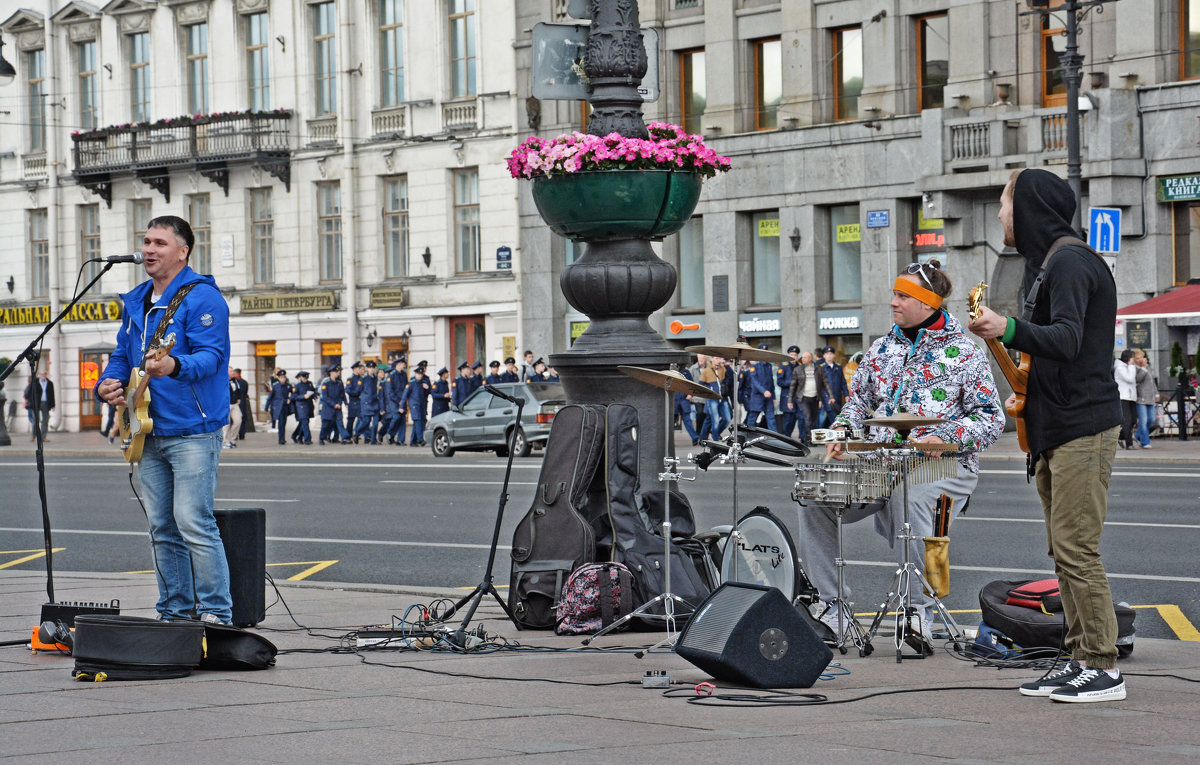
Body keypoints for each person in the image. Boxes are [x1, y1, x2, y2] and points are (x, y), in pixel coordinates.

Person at [969, 168, 1125, 703]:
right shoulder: (1051, 264)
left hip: (1084, 425)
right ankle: (1079, 657)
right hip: (1057, 425)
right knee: (1063, 553)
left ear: (1030, 207)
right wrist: (1025, 395)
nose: (998, 215)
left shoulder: (1073, 261)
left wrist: (1005, 327)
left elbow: (1067, 337)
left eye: (1005, 203)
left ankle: (1103, 666)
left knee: (1078, 550)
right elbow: (1055, 356)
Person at [800, 260, 1004, 651]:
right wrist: (841, 432)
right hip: (881, 462)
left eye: (902, 296)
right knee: (813, 497)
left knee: (907, 495)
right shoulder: (880, 349)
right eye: (894, 294)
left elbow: (991, 419)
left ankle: (918, 612)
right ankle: (833, 608)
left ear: (928, 304)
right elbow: (858, 403)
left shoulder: (966, 353)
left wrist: (943, 436)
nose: (892, 302)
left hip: (943, 462)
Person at [94, 214, 232, 624]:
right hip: (145, 427)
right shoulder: (137, 299)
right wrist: (108, 382)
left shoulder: (203, 298)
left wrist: (174, 365)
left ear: (183, 250)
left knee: (193, 522)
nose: (149, 250)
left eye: (159, 243)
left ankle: (215, 614)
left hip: (192, 428)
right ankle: (174, 612)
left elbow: (213, 357)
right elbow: (122, 354)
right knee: (161, 528)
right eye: (146, 241)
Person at [788, 350, 821, 443]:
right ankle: (807, 439)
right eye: (802, 357)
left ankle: (811, 439)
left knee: (813, 420)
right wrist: (789, 400)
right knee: (807, 419)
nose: (802, 359)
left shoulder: (818, 369)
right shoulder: (798, 369)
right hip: (803, 398)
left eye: (805, 357)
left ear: (810, 358)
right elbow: (793, 386)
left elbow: (823, 384)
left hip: (814, 398)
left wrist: (822, 399)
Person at [746, 344, 777, 431]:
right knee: (752, 419)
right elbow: (755, 382)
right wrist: (764, 391)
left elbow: (771, 382)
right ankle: (747, 435)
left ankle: (776, 439)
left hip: (769, 398)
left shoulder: (769, 366)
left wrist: (773, 396)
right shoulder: (754, 366)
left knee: (771, 419)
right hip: (757, 397)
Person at [816, 345, 848, 428]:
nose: (829, 356)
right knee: (826, 418)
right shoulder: (820, 368)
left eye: (831, 353)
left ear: (834, 355)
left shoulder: (838, 367)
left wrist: (846, 395)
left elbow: (843, 382)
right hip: (825, 398)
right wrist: (820, 398)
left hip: (837, 396)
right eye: (827, 354)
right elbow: (819, 385)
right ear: (823, 356)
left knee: (834, 417)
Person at [1133, 352, 1159, 449]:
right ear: (1135, 360)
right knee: (1143, 421)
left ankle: (1137, 435)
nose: (1141, 359)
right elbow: (1138, 379)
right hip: (1141, 398)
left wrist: (1156, 393)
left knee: (1151, 419)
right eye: (1138, 358)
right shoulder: (1135, 368)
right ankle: (1145, 442)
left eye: (1142, 357)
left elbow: (1152, 382)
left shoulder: (1148, 367)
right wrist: (1143, 368)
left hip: (1150, 398)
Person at [1113, 351, 1138, 450]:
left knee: (1133, 420)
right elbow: (1130, 378)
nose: (1134, 360)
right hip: (1123, 396)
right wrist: (1132, 366)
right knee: (1127, 421)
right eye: (1133, 358)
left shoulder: (1128, 367)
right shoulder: (1120, 368)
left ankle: (1119, 437)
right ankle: (1129, 444)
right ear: (1128, 358)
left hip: (1131, 396)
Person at [318, 365, 348, 444]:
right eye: (336, 372)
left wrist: (345, 403)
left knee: (340, 423)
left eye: (338, 372)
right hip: (328, 407)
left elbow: (342, 394)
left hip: (338, 407)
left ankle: (345, 438)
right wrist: (333, 404)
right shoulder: (326, 383)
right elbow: (325, 396)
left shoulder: (339, 382)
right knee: (326, 425)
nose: (338, 373)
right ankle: (322, 438)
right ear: (331, 373)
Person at [23, 367, 55, 440]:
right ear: (39, 375)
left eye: (44, 374)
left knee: (45, 420)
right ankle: (33, 435)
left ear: (46, 375)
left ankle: (43, 437)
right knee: (36, 419)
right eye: (42, 374)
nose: (43, 375)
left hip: (46, 403)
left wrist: (53, 405)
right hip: (36, 403)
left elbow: (52, 394)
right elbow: (30, 393)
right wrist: (31, 401)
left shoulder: (50, 383)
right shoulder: (35, 382)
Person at [402, 366, 431, 446]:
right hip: (414, 405)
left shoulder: (423, 383)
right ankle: (420, 440)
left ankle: (412, 441)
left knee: (418, 423)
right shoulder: (411, 383)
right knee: (418, 421)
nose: (420, 375)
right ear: (415, 374)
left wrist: (427, 388)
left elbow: (428, 393)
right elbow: (405, 395)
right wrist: (402, 406)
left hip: (421, 405)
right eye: (418, 374)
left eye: (421, 374)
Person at [777, 346, 800, 439]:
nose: (793, 356)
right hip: (787, 397)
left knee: (794, 419)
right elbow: (779, 382)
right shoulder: (783, 366)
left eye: (795, 355)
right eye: (791, 354)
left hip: (798, 397)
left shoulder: (800, 366)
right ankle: (786, 438)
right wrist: (791, 382)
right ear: (788, 355)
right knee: (787, 419)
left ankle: (789, 438)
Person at [265, 369, 293, 444]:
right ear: (278, 378)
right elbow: (270, 397)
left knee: (284, 423)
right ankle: (281, 439)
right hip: (278, 407)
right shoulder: (276, 386)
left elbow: (293, 394)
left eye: (284, 377)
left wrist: (290, 399)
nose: (283, 379)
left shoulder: (288, 386)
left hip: (285, 407)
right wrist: (266, 407)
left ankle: (282, 438)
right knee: (281, 423)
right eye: (281, 377)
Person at [290, 371, 316, 444]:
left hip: (309, 405)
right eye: (304, 378)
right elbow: (294, 396)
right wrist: (303, 396)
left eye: (306, 378)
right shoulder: (297, 385)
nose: (305, 379)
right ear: (301, 377)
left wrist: (315, 397)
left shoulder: (310, 383)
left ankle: (297, 436)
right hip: (301, 406)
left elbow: (313, 391)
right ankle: (308, 439)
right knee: (304, 422)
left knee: (304, 422)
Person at [345, 361, 366, 442]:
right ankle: (348, 437)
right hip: (353, 403)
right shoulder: (350, 379)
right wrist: (357, 394)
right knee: (350, 421)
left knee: (364, 419)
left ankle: (362, 434)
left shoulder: (362, 378)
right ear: (354, 369)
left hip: (361, 403)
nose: (360, 370)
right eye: (358, 368)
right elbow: (348, 390)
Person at [223, 367, 242, 449]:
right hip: (226, 404)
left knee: (238, 421)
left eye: (233, 371)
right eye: (231, 371)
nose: (233, 372)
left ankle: (232, 438)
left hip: (235, 404)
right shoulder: (223, 380)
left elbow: (238, 390)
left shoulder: (235, 381)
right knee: (226, 424)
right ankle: (225, 441)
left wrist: (239, 398)